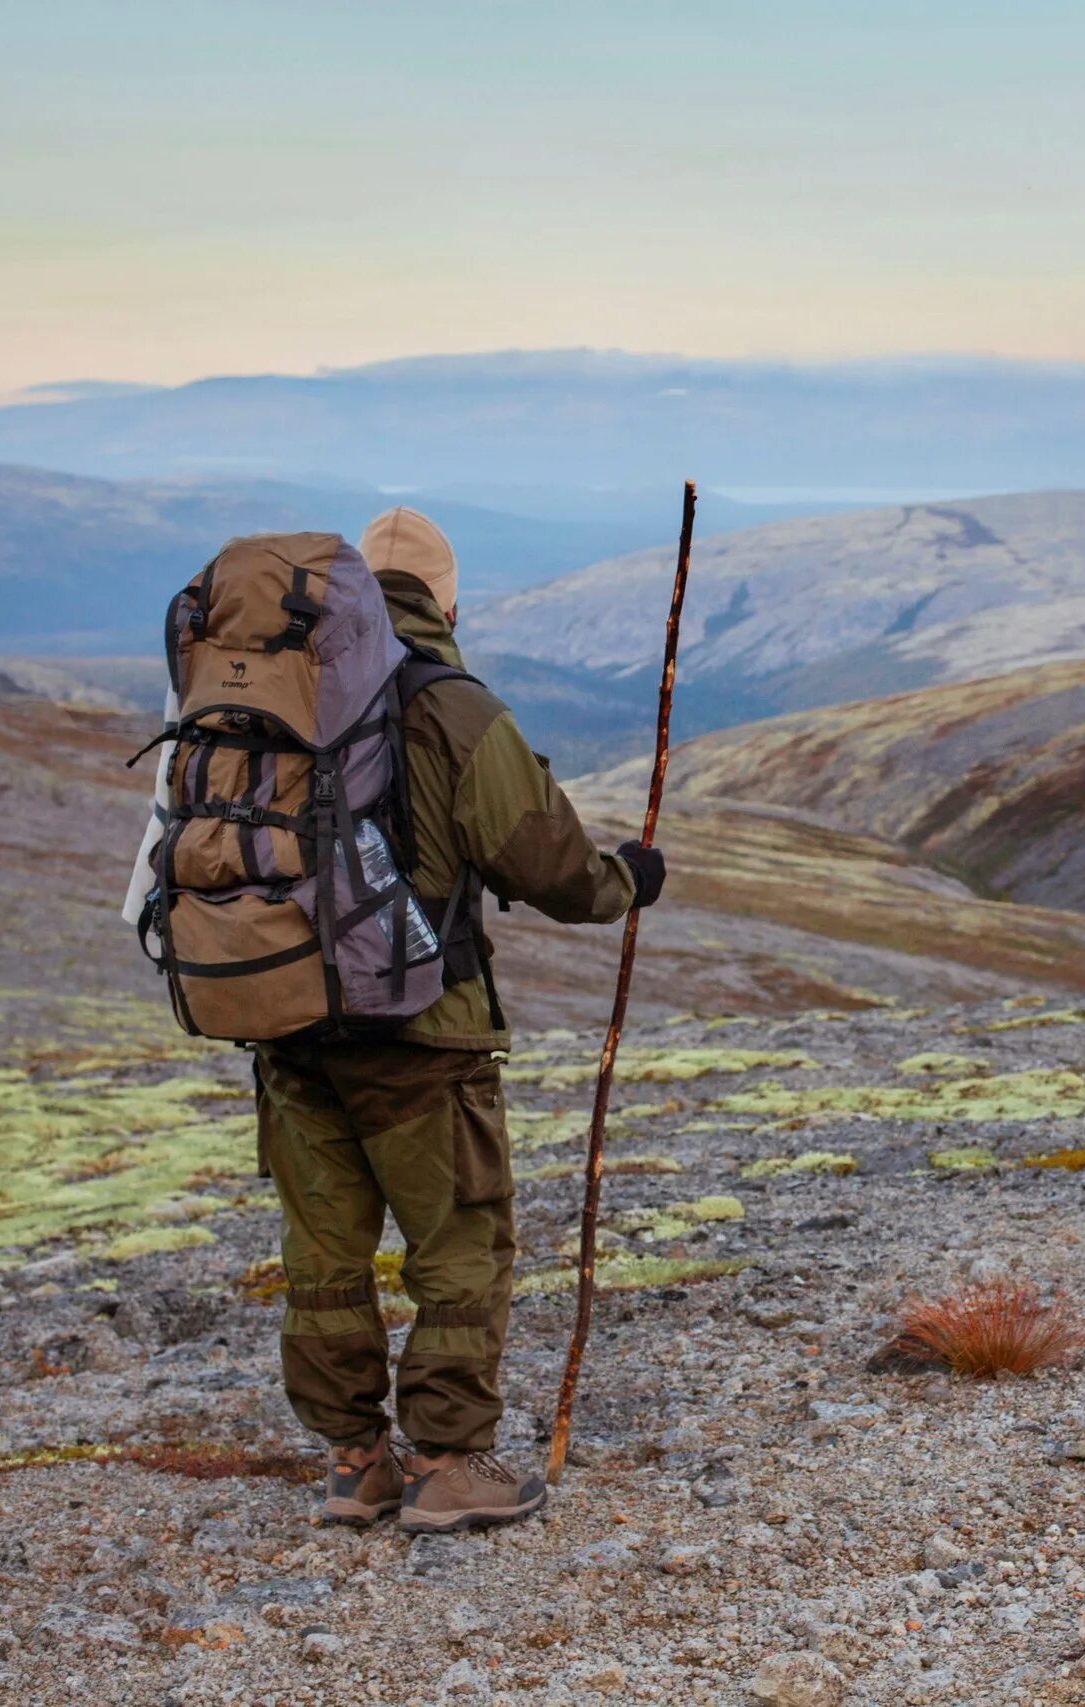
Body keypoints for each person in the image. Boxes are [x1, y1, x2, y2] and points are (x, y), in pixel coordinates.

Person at [257, 506, 667, 1533]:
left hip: (289, 1029)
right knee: (460, 1252)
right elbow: (552, 867)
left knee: (324, 1256)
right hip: (419, 1035)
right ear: (447, 603)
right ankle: (444, 1463)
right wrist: (628, 880)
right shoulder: (452, 707)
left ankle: (354, 1463)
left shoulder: (275, 694)